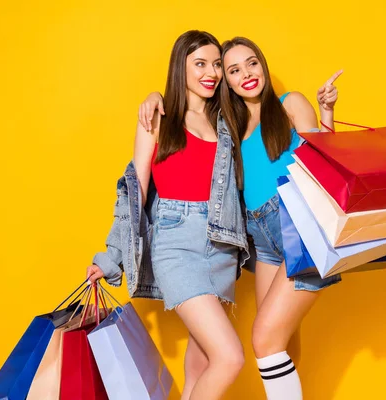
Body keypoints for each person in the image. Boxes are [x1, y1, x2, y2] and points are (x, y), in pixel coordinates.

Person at [139, 36, 342, 400]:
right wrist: (157, 95)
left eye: (251, 63)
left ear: (262, 65)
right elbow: (183, 108)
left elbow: (327, 163)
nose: (245, 74)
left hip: (299, 227)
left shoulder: (289, 103)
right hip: (259, 238)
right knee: (280, 339)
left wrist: (326, 112)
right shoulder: (228, 125)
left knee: (264, 338)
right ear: (227, 83)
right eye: (232, 70)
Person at [87, 30, 249, 400]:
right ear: (182, 67)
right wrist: (111, 257)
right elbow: (136, 192)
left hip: (222, 246)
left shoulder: (226, 122)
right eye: (200, 64)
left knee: (203, 364)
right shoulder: (157, 119)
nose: (212, 73)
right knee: (229, 357)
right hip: (176, 245)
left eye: (217, 65)